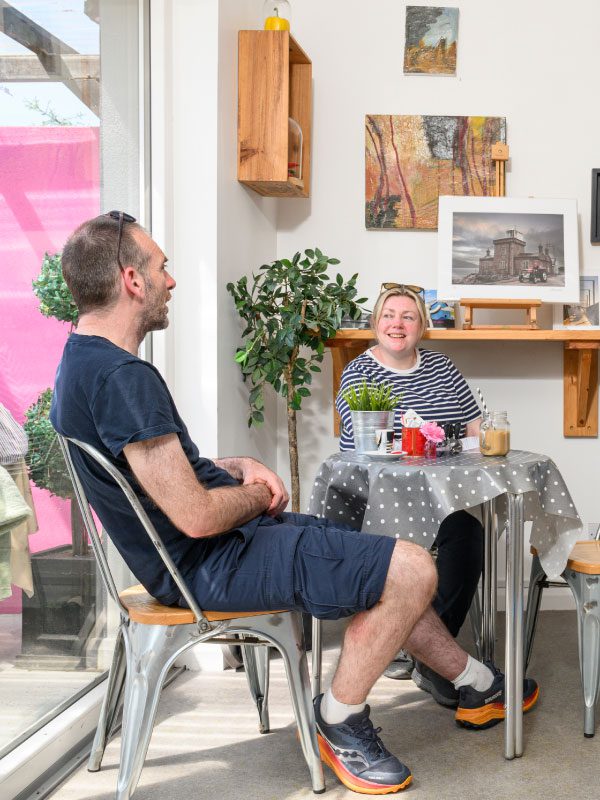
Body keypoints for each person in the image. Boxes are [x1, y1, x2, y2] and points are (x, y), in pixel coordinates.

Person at [50, 215, 538, 795]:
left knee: (386, 558)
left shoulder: (83, 362)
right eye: (161, 267)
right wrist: (258, 494)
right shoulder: (123, 378)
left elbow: (164, 475)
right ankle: (339, 717)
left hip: (208, 553)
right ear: (132, 280)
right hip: (208, 563)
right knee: (412, 569)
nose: (171, 280)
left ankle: (478, 680)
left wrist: (238, 467)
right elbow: (196, 515)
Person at [336, 285, 485, 706]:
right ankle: (434, 660)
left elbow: (474, 430)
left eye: (408, 316)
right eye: (389, 315)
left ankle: (430, 657)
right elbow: (363, 450)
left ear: (422, 326)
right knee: (402, 561)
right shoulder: (358, 374)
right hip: (381, 503)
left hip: (439, 499)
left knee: (468, 538)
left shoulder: (442, 367)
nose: (397, 324)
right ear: (376, 322)